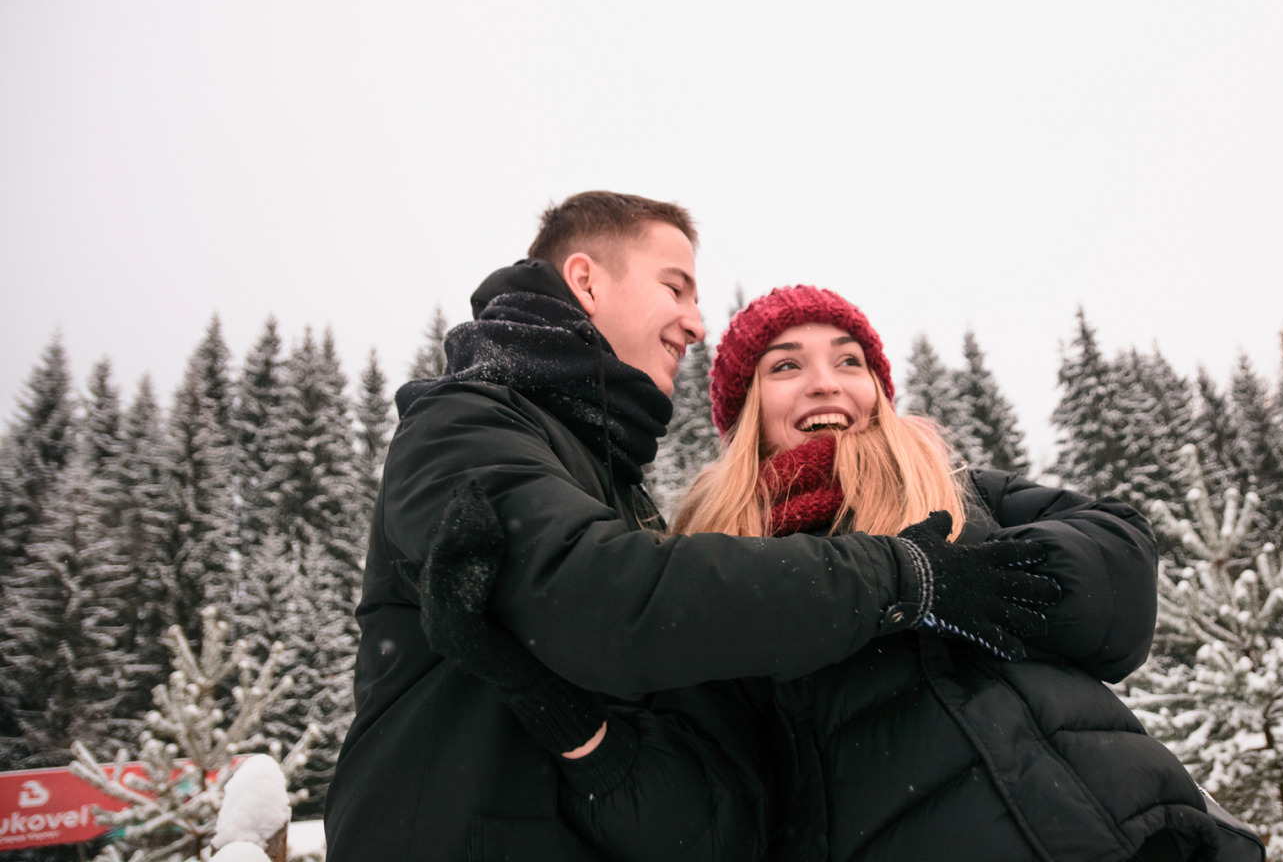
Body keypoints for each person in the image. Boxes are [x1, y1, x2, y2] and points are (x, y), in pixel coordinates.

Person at [324, 193, 1061, 861]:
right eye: (674, 286)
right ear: (586, 280)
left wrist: (581, 731)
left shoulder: (615, 488)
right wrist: (903, 577)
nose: (696, 323)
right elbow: (601, 600)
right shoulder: (466, 423)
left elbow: (706, 818)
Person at [419, 285, 1265, 862]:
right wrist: (548, 699)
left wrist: (963, 577)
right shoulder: (724, 575)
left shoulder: (969, 492)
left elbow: (1119, 576)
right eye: (785, 366)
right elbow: (708, 824)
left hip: (1129, 837)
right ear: (747, 408)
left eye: (849, 359)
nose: (826, 383)